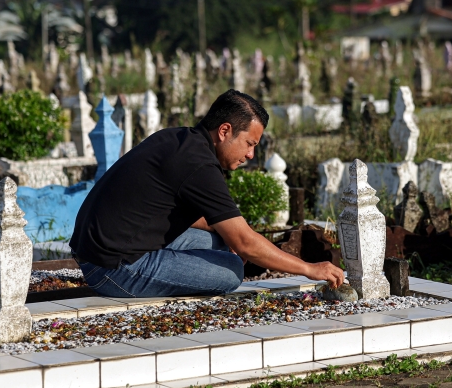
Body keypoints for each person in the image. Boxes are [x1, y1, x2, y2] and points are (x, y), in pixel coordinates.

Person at [70, 89, 345, 297]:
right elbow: (245, 243)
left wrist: (233, 236)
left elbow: (182, 215)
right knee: (231, 271)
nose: (250, 154)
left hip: (99, 251)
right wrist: (311, 269)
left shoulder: (180, 139)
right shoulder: (199, 165)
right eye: (249, 143)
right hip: (113, 269)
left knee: (220, 243)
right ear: (225, 131)